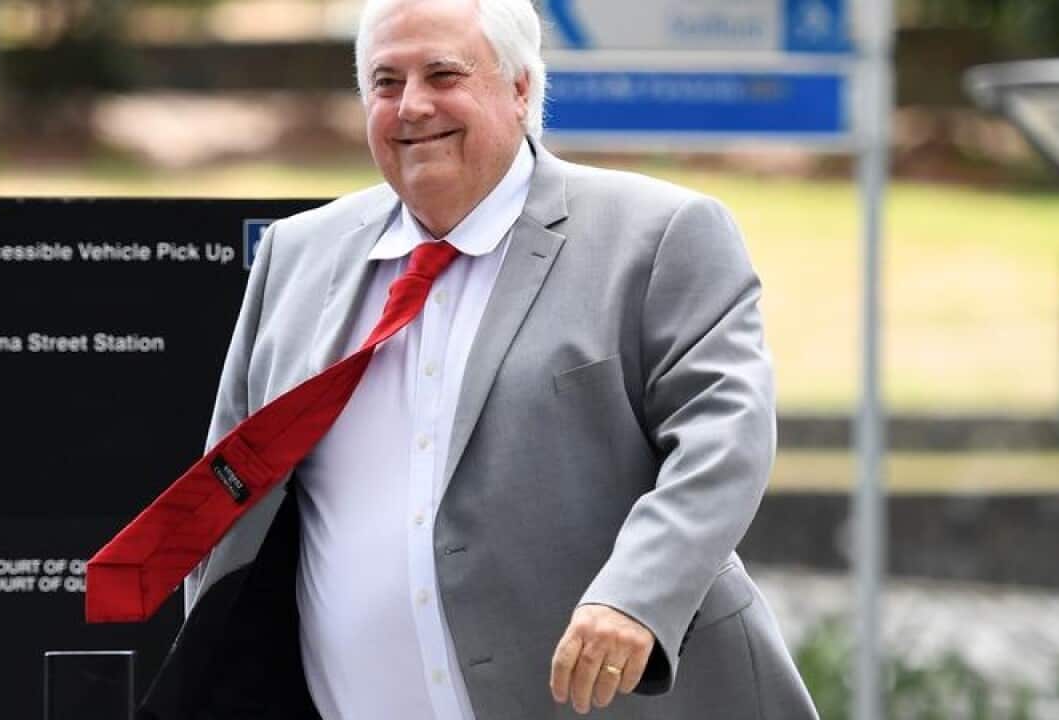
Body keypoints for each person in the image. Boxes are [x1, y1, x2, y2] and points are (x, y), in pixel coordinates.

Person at [137, 0, 817, 717]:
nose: (412, 106)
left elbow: (725, 443)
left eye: (443, 74)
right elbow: (228, 494)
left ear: (521, 89)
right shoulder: (296, 255)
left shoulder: (658, 236)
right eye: (386, 82)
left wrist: (637, 596)